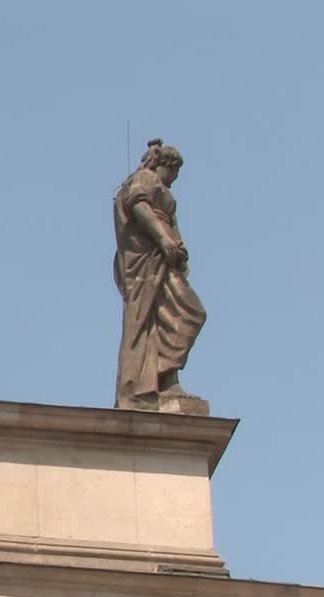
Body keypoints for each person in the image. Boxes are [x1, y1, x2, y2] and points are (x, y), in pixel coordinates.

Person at [112, 139, 206, 410]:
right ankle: (148, 385)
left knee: (186, 314)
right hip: (146, 262)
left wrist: (176, 247)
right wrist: (164, 238)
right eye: (174, 172)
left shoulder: (162, 189)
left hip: (165, 261)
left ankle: (166, 377)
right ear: (167, 165)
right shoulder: (144, 178)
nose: (175, 179)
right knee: (175, 315)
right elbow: (138, 206)